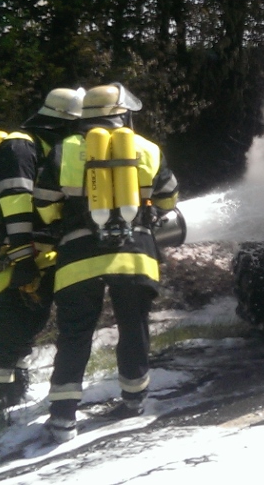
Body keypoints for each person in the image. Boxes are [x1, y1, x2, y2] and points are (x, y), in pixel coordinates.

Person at [33, 83, 180, 442]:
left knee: (75, 335)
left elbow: (44, 204)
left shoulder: (63, 150)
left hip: (78, 258)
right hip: (136, 257)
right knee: (134, 328)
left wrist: (62, 225)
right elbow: (168, 199)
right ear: (121, 113)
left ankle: (64, 418)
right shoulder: (147, 149)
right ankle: (133, 401)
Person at [0, 87, 85, 429]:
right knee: (8, 328)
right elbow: (16, 205)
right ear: (65, 121)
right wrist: (22, 259)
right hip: (7, 257)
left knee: (27, 325)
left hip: (33, 256)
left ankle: (11, 389)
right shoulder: (20, 147)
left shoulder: (45, 146)